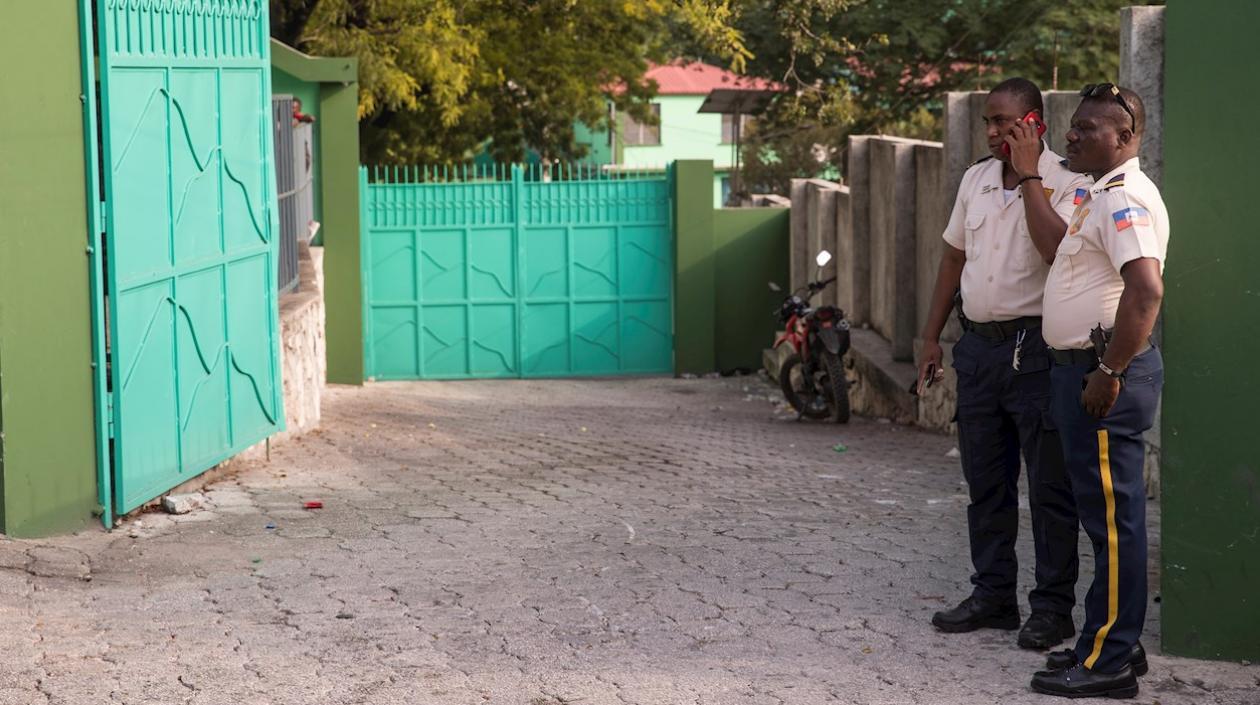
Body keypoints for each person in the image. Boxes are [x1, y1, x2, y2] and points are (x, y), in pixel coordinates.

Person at [919, 78, 1091, 650]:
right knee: (986, 483)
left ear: (1035, 122)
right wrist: (930, 338)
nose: (993, 132)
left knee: (1048, 487)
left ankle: (1052, 608)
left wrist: (1031, 175)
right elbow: (952, 258)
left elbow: (1056, 250)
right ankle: (993, 595)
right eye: (988, 122)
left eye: (1005, 122)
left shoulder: (1068, 181)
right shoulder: (975, 179)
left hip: (1037, 351)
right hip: (980, 350)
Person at [1030, 84, 1167, 700]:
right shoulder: (1099, 191)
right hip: (1084, 373)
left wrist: (1109, 372)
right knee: (1103, 519)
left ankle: (1107, 662)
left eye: (1087, 129)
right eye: (1073, 127)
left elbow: (1146, 292)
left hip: (1103, 378)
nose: (1072, 136)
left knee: (1114, 524)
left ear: (1125, 137)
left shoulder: (1123, 199)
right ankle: (1112, 640)